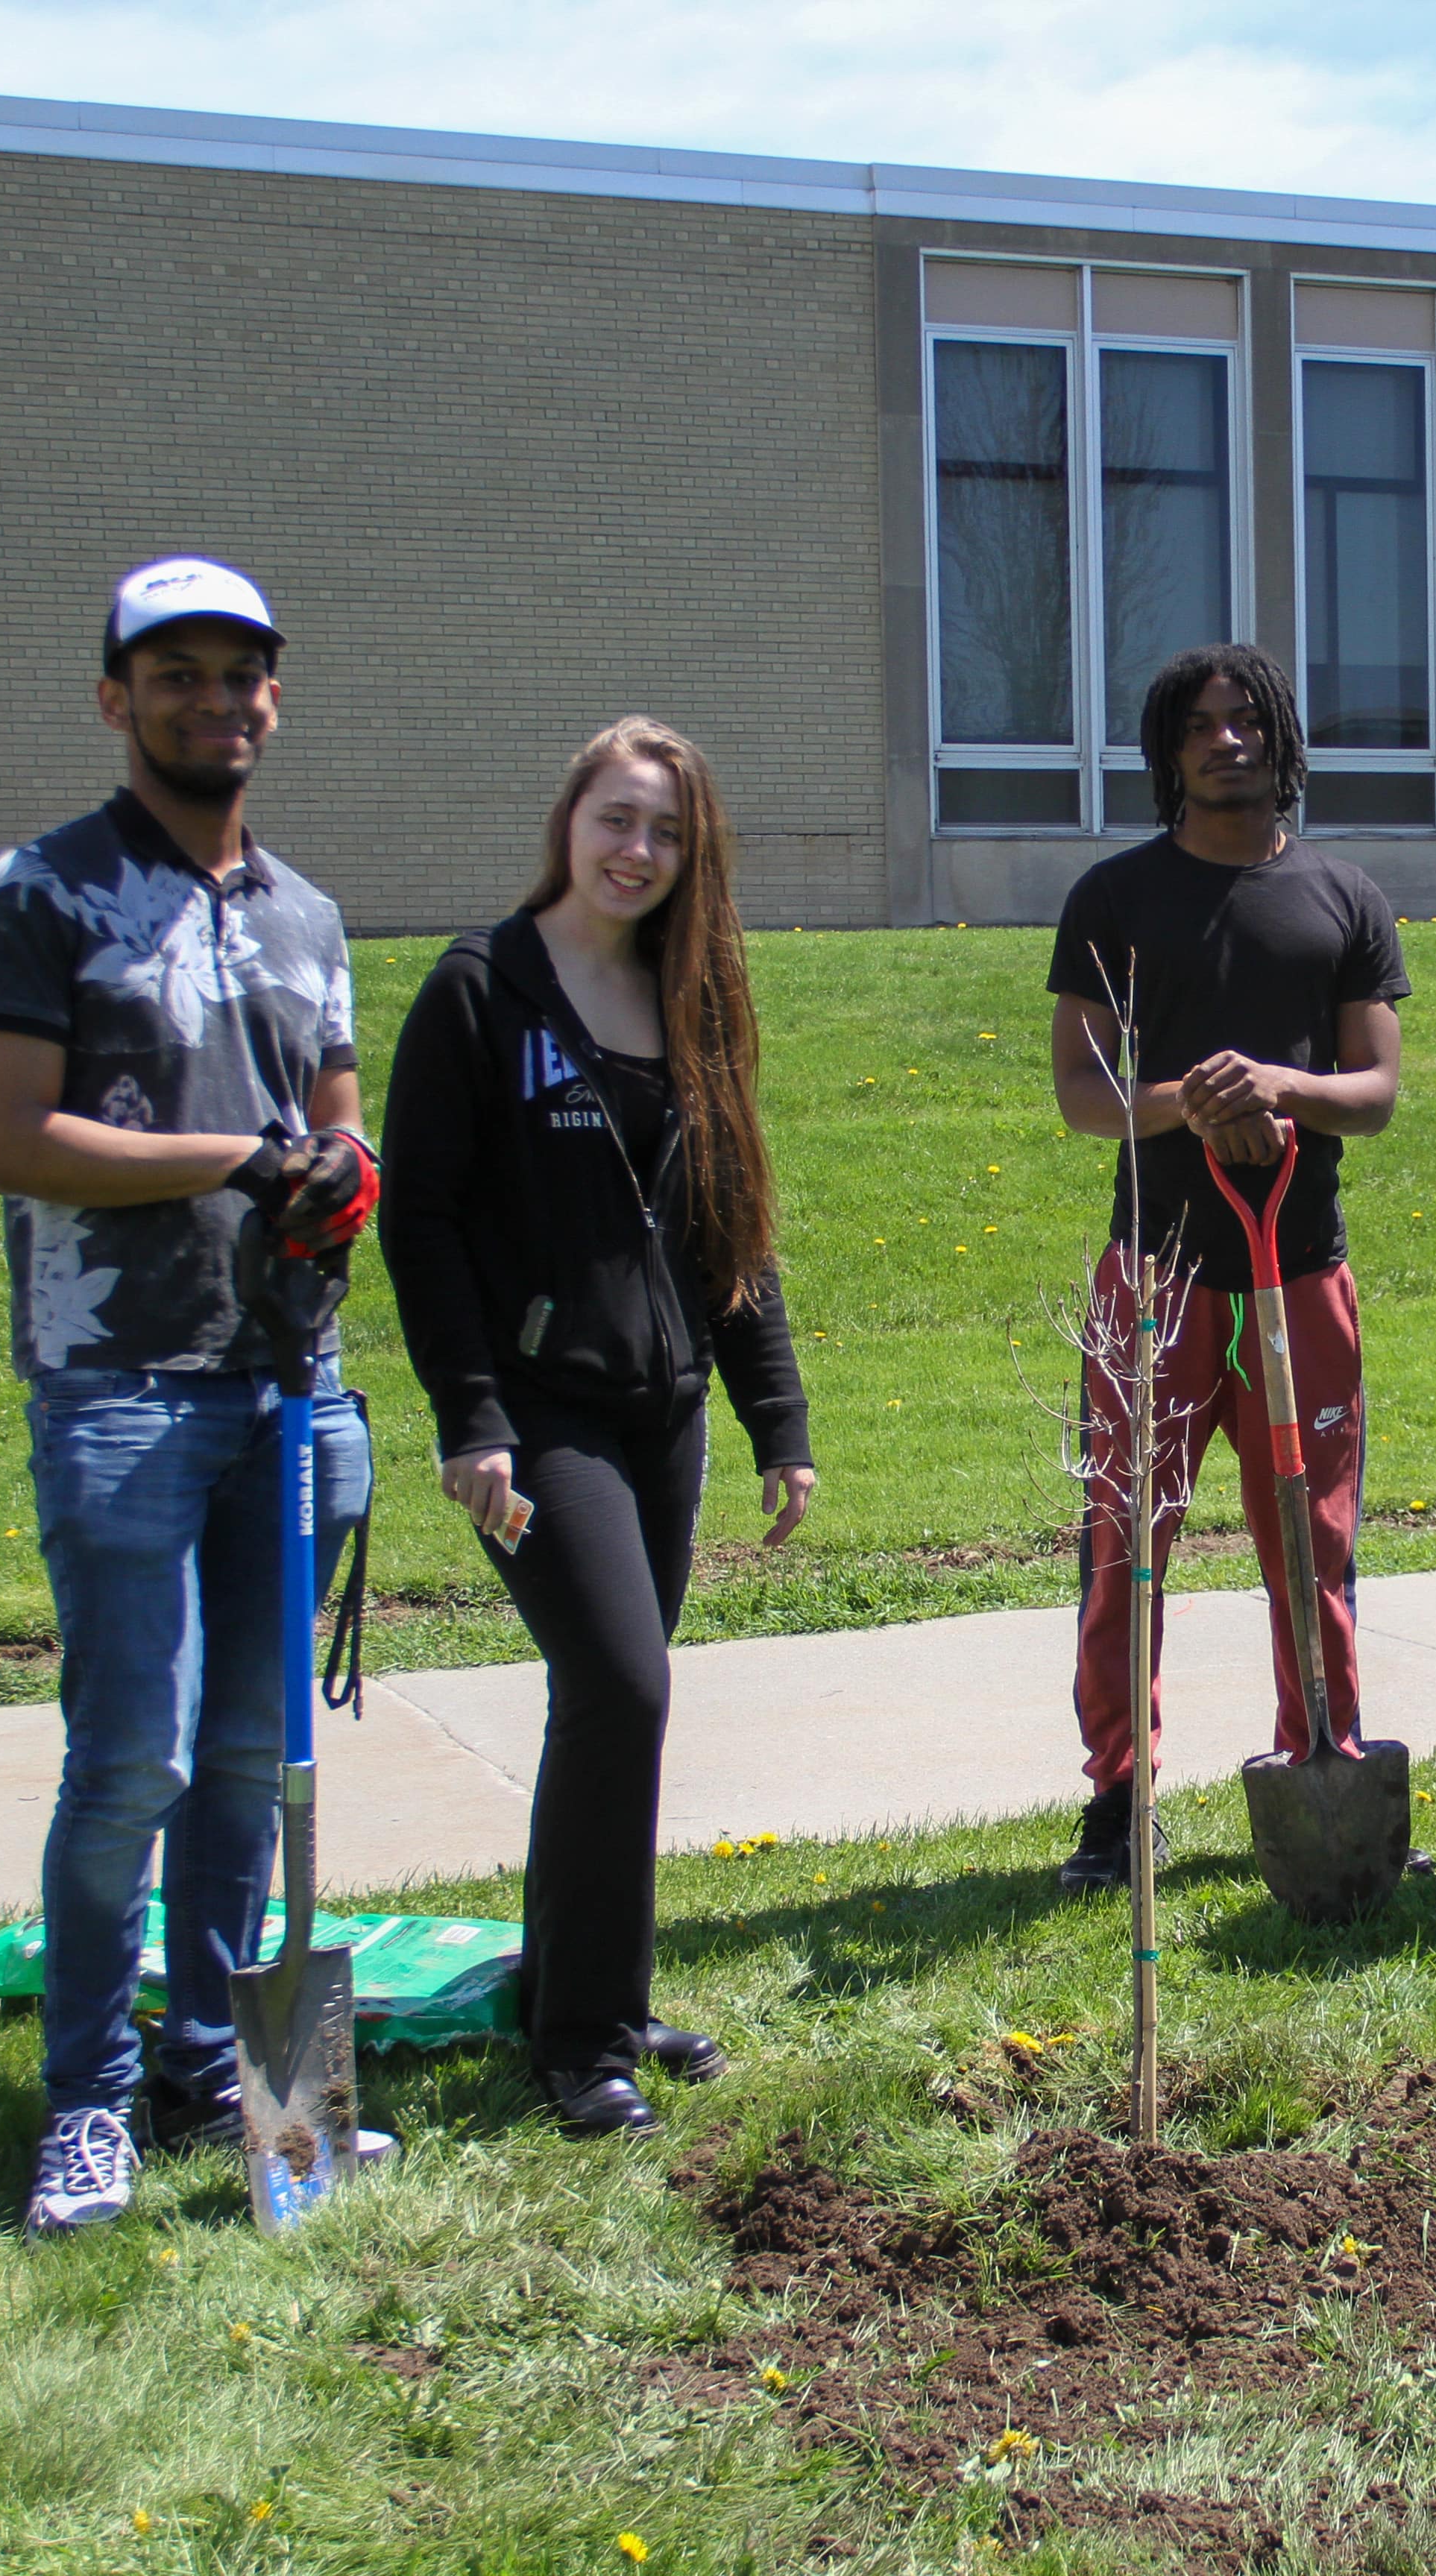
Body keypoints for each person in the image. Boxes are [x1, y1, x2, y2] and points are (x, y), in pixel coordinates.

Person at [0, 556, 382, 2236]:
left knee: (254, 1756)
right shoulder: (42, 894)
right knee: (131, 1755)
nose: (217, 702)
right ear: (115, 695)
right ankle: (89, 2102)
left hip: (289, 1386)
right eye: (177, 674)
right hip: (120, 1385)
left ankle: (227, 2070)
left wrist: (341, 1174)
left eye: (243, 675)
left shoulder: (307, 914)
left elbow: (338, 1130)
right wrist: (241, 1156)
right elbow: (16, 1136)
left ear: (275, 695)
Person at [380, 717, 814, 2138]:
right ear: (570, 819)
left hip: (664, 1408)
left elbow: (732, 1225)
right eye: (618, 820)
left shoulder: (692, 1001)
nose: (640, 853)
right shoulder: (480, 992)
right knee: (622, 1685)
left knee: (614, 1710)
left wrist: (775, 1419)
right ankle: (577, 2046)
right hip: (541, 1414)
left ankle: (599, 2005)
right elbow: (425, 1225)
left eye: (669, 832)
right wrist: (473, 1415)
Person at [1047, 644, 1407, 1890]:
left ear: (1280, 739)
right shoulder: (1113, 899)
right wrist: (1193, 1104)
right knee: (1125, 1538)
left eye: (1246, 719)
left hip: (1302, 1271)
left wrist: (1280, 1085)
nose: (1225, 739)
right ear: (1169, 752)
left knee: (1313, 1538)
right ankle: (1118, 1796)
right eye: (1199, 725)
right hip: (1154, 1280)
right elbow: (1083, 1097)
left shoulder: (1345, 897)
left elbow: (1375, 1093)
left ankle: (1324, 1758)